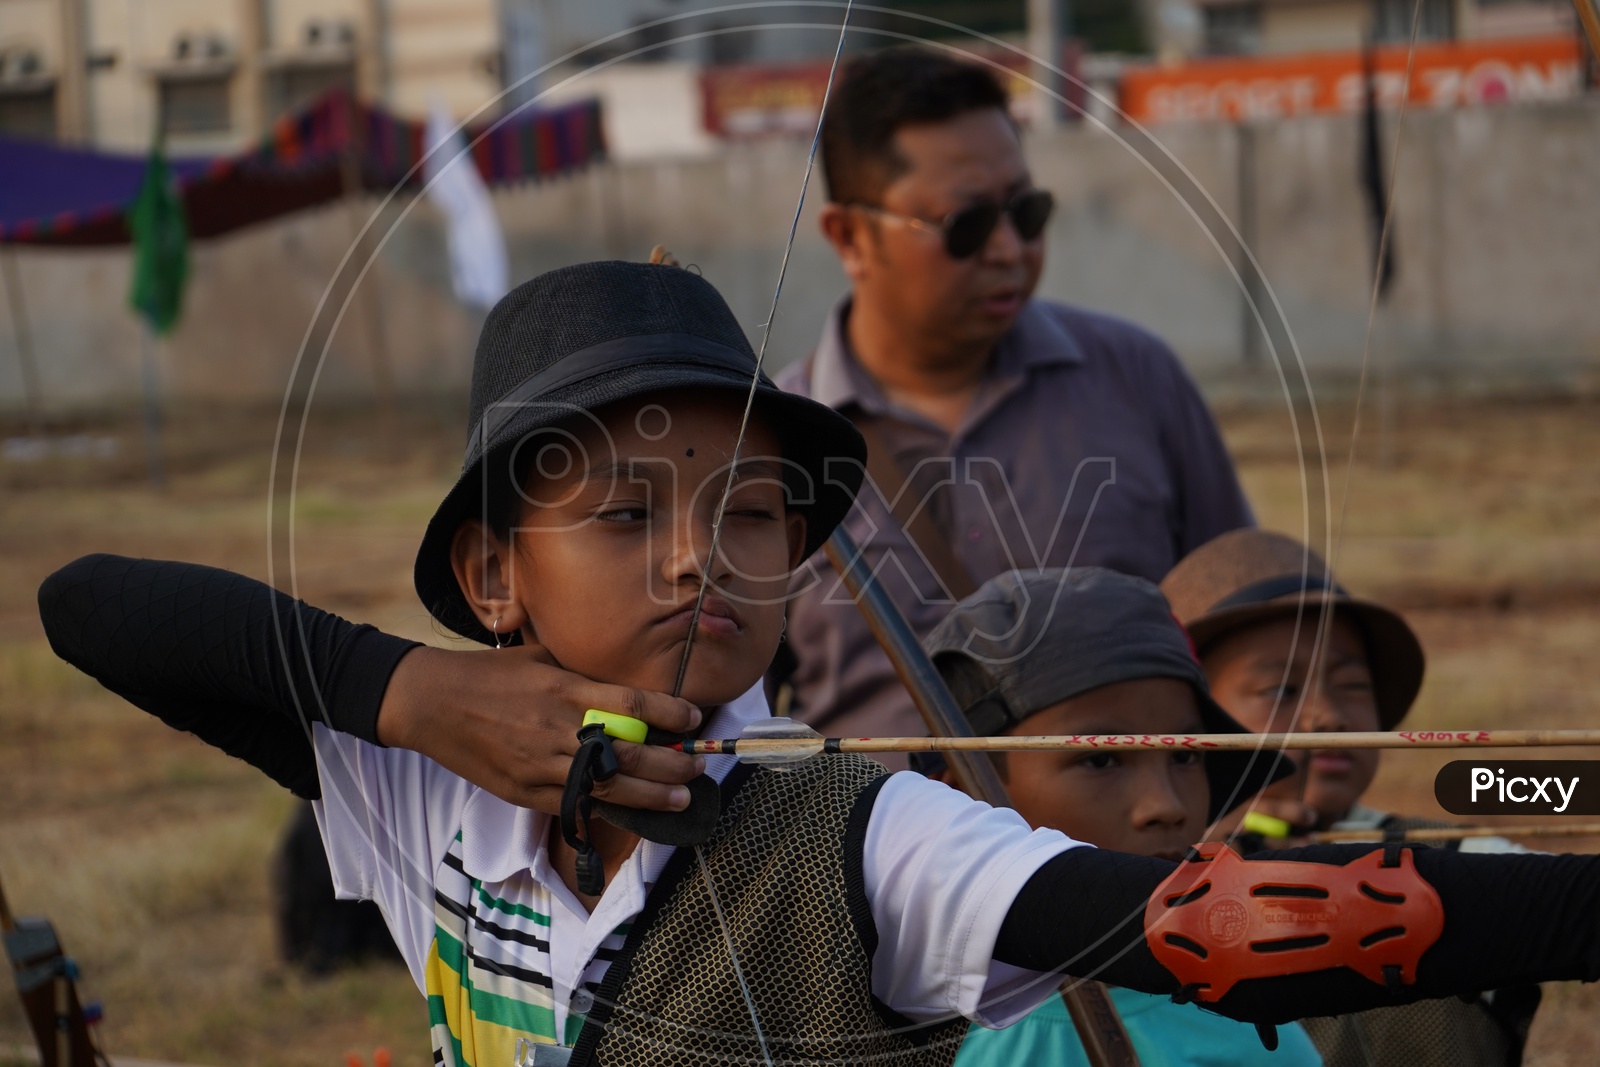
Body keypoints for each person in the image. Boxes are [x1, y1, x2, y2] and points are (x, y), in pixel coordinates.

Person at [36, 263, 1600, 1066]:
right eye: (625, 509)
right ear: (490, 576)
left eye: (753, 509)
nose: (696, 554)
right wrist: (417, 692)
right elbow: (87, 601)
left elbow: (1226, 926)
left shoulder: (864, 832)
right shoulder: (413, 787)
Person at [775, 47, 1255, 756]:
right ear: (851, 237)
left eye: (1026, 212)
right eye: (966, 226)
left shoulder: (1136, 378)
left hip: (1132, 859)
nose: (1008, 249)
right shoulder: (774, 440)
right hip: (885, 863)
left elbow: (1242, 619)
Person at [1162, 528, 1541, 1065]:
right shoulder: (1155, 874)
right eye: (1281, 690)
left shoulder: (1454, 858)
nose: (1329, 716)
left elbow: (1562, 899)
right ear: (1192, 722)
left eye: (1352, 685)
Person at [920, 566, 1321, 1065]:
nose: (1167, 807)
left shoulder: (1250, 1026)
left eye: (1185, 755)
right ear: (963, 794)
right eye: (1102, 759)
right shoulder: (901, 1024)